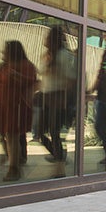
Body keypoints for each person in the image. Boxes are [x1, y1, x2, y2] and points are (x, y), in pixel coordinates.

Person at [0, 40, 39, 182]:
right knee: (5, 135)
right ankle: (14, 161)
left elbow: (33, 83)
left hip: (16, 106)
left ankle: (14, 167)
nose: (3, 52)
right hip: (3, 105)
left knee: (12, 135)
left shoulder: (26, 66)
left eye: (6, 50)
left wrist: (17, 76)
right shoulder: (3, 67)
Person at [41, 25, 77, 178]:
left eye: (48, 36)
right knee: (41, 131)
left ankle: (59, 166)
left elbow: (70, 80)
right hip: (47, 97)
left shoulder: (63, 55)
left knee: (55, 133)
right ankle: (59, 156)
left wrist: (65, 101)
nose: (45, 39)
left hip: (59, 98)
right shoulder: (50, 55)